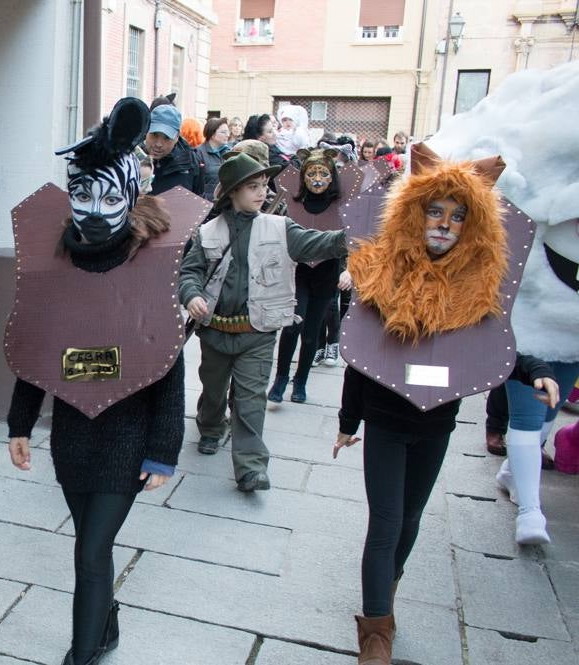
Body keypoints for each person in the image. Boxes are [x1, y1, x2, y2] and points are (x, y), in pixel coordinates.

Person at [334, 143, 557, 665]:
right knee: (386, 521)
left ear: (472, 226)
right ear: (415, 213)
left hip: (436, 425)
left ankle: (385, 588)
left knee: (410, 520)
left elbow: (492, 345)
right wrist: (349, 421)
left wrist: (538, 372)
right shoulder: (382, 271)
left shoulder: (476, 286)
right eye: (435, 211)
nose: (444, 224)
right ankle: (376, 634)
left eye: (458, 216)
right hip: (387, 421)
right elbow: (359, 351)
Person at [5, 98, 199, 665]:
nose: (94, 209)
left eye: (110, 196)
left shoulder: (149, 263)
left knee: (91, 552)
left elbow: (166, 363)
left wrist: (164, 451)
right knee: (91, 544)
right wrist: (21, 422)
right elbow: (39, 344)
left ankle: (83, 651)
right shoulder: (55, 264)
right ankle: (107, 624)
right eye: (83, 195)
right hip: (73, 431)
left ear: (130, 197)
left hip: (128, 435)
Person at [179, 153, 348, 488]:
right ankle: (211, 427)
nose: (263, 193)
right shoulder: (208, 232)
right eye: (253, 187)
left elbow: (319, 242)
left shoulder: (280, 227)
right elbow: (190, 272)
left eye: (264, 186)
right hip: (214, 332)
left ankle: (251, 467)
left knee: (250, 399)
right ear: (232, 192)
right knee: (213, 391)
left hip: (257, 332)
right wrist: (192, 295)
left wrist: (348, 237)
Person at [267, 149, 346, 405]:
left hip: (326, 273)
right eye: (311, 173)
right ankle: (281, 378)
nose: (317, 178)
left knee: (312, 332)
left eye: (323, 173)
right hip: (299, 270)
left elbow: (353, 237)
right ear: (303, 176)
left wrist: (351, 269)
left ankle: (300, 381)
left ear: (332, 176)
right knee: (292, 325)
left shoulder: (339, 204)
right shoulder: (295, 202)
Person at [143, 104, 205, 196]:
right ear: (146, 131)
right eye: (154, 135)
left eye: (167, 138)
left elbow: (200, 201)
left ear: (177, 137)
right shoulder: (132, 159)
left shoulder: (192, 162)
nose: (159, 144)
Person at [199, 117, 230, 200]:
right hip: (207, 204)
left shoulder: (229, 152)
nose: (228, 135)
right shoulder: (199, 153)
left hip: (225, 203)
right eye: (223, 132)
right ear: (212, 134)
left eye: (228, 131)